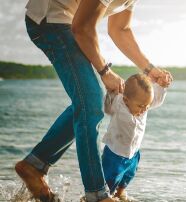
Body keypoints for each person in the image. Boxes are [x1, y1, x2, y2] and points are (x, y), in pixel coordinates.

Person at [14, 0, 172, 201]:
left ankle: (34, 165)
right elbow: (82, 28)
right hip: (50, 20)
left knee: (89, 103)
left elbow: (120, 29)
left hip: (66, 21)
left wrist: (150, 70)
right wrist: (105, 71)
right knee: (90, 102)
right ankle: (96, 195)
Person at [101, 73, 169, 201]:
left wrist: (162, 86)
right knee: (109, 178)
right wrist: (110, 92)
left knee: (129, 175)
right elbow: (107, 108)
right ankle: (105, 197)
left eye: (147, 106)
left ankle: (120, 193)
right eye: (141, 106)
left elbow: (157, 99)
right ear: (126, 100)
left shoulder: (144, 102)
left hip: (133, 153)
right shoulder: (119, 102)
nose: (144, 109)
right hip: (114, 153)